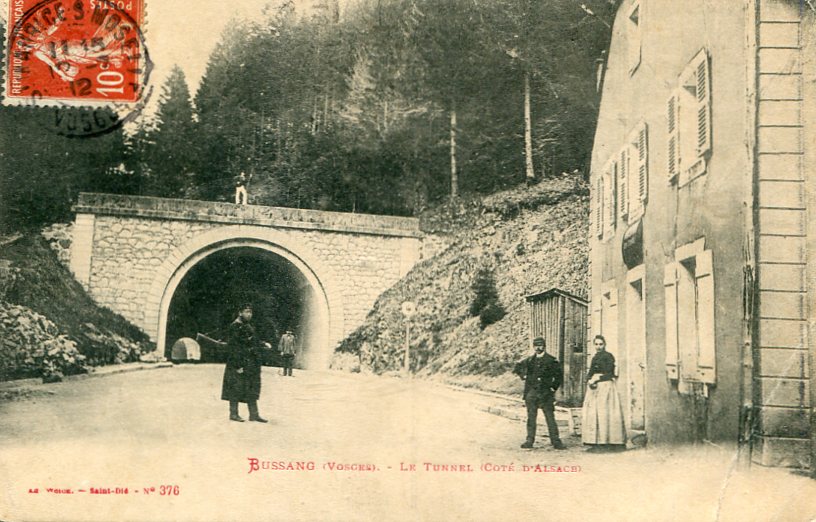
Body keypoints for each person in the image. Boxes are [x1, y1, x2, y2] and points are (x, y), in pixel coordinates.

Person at [514, 337, 567, 450]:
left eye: (540, 345)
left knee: (550, 417)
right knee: (531, 418)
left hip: (546, 393)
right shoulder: (529, 360)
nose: (538, 347)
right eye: (536, 345)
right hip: (532, 393)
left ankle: (556, 441)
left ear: (544, 346)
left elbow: (559, 376)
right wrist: (523, 376)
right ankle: (529, 440)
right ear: (533, 347)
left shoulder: (551, 360)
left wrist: (553, 388)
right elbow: (517, 367)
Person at [221, 304, 271, 422]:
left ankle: (254, 415)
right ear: (240, 313)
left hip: (250, 363)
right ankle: (233, 414)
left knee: (251, 388)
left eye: (250, 312)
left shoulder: (247, 325)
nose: (249, 314)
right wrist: (238, 365)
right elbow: (233, 347)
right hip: (239, 362)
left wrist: (263, 344)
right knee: (236, 388)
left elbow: (253, 340)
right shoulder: (235, 326)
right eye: (247, 312)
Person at [581, 334, 627, 452]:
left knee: (605, 414)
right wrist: (589, 379)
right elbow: (591, 371)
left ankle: (609, 442)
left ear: (604, 345)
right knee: (594, 414)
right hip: (594, 388)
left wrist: (597, 379)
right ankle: (596, 442)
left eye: (601, 344)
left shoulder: (609, 357)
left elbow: (610, 374)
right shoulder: (595, 357)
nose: (598, 347)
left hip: (606, 387)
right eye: (596, 344)